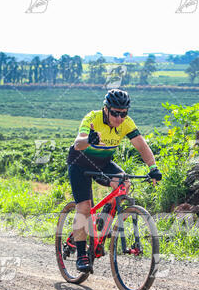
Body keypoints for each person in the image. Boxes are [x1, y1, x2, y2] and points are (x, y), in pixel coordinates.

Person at [67, 89, 162, 273]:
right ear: (106, 109)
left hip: (103, 163)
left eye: (123, 113)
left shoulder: (126, 123)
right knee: (84, 208)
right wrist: (89, 139)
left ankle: (102, 222)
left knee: (123, 184)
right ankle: (81, 254)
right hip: (80, 164)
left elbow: (141, 145)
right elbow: (78, 143)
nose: (119, 118)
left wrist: (153, 168)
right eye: (115, 113)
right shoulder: (92, 118)